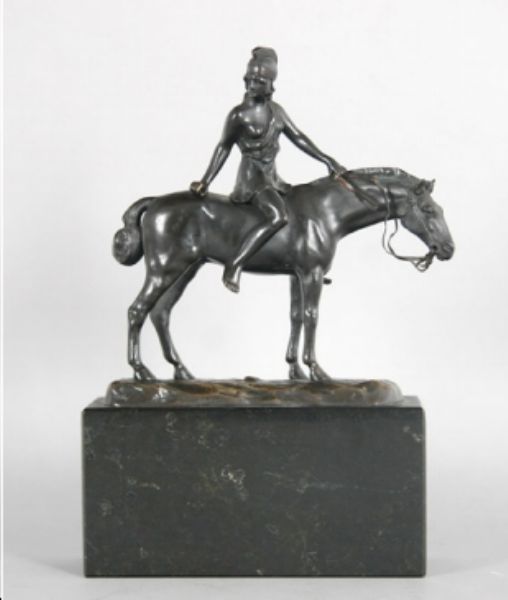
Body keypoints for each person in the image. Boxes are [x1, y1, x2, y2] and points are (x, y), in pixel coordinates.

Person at [191, 47, 346, 293]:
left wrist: (327, 159)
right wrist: (205, 181)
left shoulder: (276, 112)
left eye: (259, 82)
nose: (253, 85)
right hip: (252, 181)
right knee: (278, 216)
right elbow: (223, 148)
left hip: (272, 178)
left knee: (301, 208)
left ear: (271, 85)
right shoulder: (238, 115)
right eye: (250, 80)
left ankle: (305, 262)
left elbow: (299, 137)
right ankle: (234, 264)